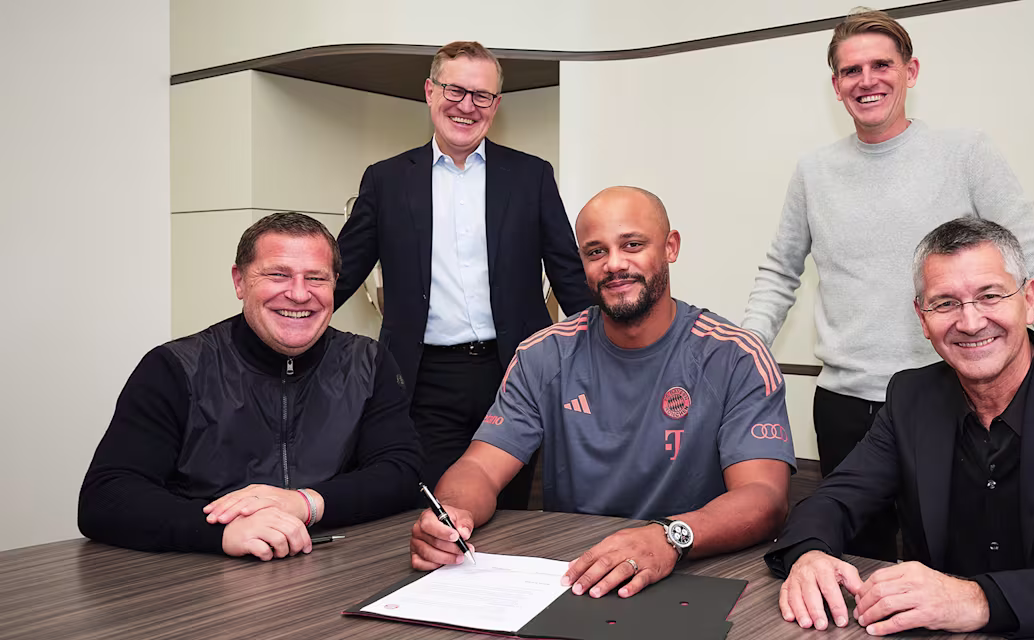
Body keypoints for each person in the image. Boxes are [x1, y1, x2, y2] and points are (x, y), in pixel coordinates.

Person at [741, 9, 1034, 561]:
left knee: (959, 559)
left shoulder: (967, 152)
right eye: (851, 70)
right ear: (836, 85)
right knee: (853, 562)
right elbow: (779, 272)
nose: (867, 80)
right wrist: (742, 355)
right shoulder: (814, 172)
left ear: (911, 71)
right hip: (845, 405)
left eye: (881, 65)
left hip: (951, 397)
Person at [766, 218, 1034, 638]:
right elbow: (835, 500)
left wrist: (978, 600)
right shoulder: (911, 397)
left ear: (1029, 300)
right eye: (945, 303)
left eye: (990, 296)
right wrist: (809, 554)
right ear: (922, 318)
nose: (970, 322)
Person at [410, 187, 795, 599]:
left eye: (632, 245)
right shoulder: (543, 355)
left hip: (699, 569)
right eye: (596, 252)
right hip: (577, 574)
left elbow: (764, 499)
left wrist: (669, 536)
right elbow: (480, 468)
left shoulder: (735, 356)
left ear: (670, 247)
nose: (614, 264)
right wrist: (453, 513)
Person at [79, 212, 424, 561]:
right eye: (278, 275)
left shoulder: (369, 362)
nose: (299, 294)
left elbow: (402, 472)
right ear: (240, 281)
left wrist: (304, 503)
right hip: (202, 573)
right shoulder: (174, 368)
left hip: (332, 565)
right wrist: (221, 531)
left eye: (316, 278)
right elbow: (106, 496)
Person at [335, 41, 592, 507]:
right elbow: (341, 272)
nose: (467, 106)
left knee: (510, 512)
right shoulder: (386, 180)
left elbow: (569, 276)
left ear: (496, 103)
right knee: (439, 512)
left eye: (482, 95)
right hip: (424, 380)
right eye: (455, 90)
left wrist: (614, 352)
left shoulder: (531, 176)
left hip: (517, 374)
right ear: (430, 91)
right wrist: (283, 322)